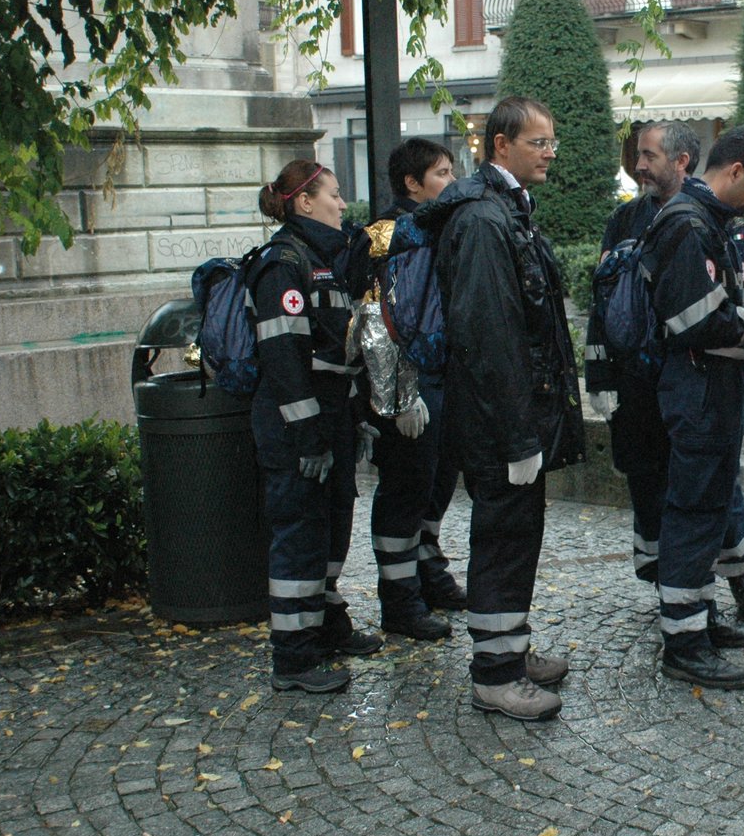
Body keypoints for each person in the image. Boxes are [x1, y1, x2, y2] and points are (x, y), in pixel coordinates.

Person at [416, 97, 585, 722]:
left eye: (551, 143)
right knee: (503, 540)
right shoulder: (486, 220)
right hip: (499, 425)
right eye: (538, 142)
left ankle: (508, 650)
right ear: (500, 146)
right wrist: (517, 436)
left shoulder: (503, 210)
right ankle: (494, 674)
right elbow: (490, 336)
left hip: (509, 419)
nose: (549, 153)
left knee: (516, 537)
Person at [584, 122, 744, 639]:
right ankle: (685, 619)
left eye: (648, 156)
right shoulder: (650, 220)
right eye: (639, 156)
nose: (639, 166)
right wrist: (599, 373)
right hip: (663, 383)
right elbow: (614, 303)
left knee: (709, 498)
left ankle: (713, 598)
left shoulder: (716, 221)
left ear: (683, 160)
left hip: (693, 381)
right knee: (676, 496)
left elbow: (737, 293)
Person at [643, 126, 744, 689]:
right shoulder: (687, 225)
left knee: (708, 509)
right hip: (698, 388)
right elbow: (693, 321)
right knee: (694, 512)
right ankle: (684, 644)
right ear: (734, 171)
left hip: (712, 388)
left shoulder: (707, 222)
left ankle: (698, 622)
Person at [249, 160, 379, 693]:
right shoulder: (283, 263)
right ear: (305, 201)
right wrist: (308, 436)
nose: (342, 203)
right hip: (296, 428)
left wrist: (356, 417)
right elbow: (283, 359)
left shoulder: (326, 258)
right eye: (334, 193)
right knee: (299, 538)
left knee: (330, 532)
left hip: (331, 420)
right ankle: (294, 658)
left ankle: (324, 627)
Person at [357, 138, 468, 644]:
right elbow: (379, 322)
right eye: (442, 173)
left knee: (436, 485)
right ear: (412, 183)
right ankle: (399, 602)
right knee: (405, 491)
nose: (451, 180)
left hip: (442, 381)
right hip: (407, 390)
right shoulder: (388, 235)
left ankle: (429, 575)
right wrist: (399, 397)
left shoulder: (433, 226)